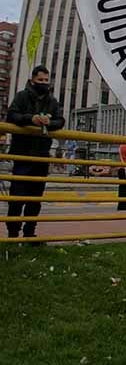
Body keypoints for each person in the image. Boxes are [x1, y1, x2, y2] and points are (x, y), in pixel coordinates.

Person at [5, 66, 65, 241]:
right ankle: (13, 233)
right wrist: (30, 119)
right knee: (17, 197)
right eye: (41, 80)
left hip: (41, 154)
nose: (44, 84)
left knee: (36, 197)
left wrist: (49, 122)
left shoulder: (52, 101)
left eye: (46, 80)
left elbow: (60, 120)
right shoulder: (21, 96)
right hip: (22, 153)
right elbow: (12, 115)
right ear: (32, 80)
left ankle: (30, 232)